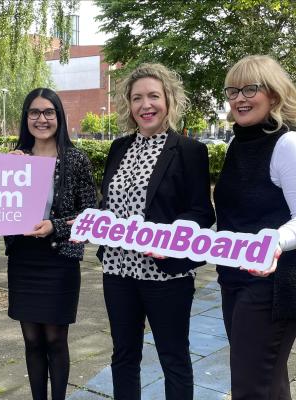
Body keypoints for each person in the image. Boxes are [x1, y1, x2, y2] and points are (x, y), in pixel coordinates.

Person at [96, 63, 215, 399]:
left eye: (153, 96)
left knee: (173, 357)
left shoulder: (190, 151)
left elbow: (202, 212)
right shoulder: (118, 148)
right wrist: (94, 220)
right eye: (137, 98)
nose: (145, 105)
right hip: (117, 271)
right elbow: (109, 203)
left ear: (168, 100)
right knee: (123, 355)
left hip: (166, 275)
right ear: (129, 106)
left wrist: (172, 236)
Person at [4, 88, 96, 400]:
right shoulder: (14, 158)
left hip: (60, 260)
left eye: (48, 112)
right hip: (23, 259)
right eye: (34, 112)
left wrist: (54, 227)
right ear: (25, 118)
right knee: (31, 339)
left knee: (55, 339)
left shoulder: (76, 159)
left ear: (59, 116)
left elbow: (89, 216)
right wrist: (4, 172)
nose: (41, 119)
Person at [214, 55, 296, 399]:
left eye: (251, 88)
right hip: (234, 277)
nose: (239, 98)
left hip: (273, 285)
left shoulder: (287, 145)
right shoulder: (237, 142)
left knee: (250, 386)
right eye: (233, 90)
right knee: (268, 381)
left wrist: (274, 241)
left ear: (274, 96)